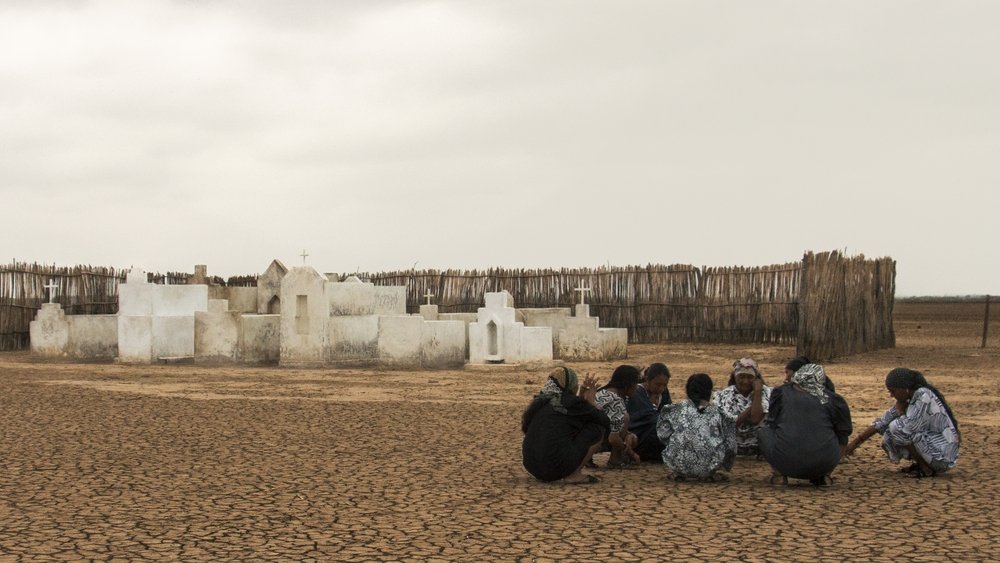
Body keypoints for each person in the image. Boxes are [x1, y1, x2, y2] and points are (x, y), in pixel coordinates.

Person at [843, 368, 960, 478]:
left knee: (896, 428)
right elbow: (882, 421)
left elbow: (909, 428)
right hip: (932, 449)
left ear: (904, 388)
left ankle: (926, 469)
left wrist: (900, 412)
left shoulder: (923, 396)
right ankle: (922, 464)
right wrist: (855, 443)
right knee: (892, 429)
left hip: (942, 456)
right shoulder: (909, 398)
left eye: (893, 391)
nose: (891, 395)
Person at [758, 363, 852, 486]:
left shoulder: (781, 392)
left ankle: (779, 475)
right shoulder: (834, 399)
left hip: (785, 462)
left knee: (763, 431)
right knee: (841, 435)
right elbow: (844, 433)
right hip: (823, 464)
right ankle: (826, 475)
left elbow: (772, 423)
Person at [522, 367, 610, 484]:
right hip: (555, 467)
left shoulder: (542, 401)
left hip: (533, 467)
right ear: (570, 385)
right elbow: (604, 420)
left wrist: (581, 397)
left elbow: (569, 417)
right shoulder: (570, 402)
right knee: (598, 428)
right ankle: (574, 474)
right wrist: (591, 401)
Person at [656, 373, 736, 481]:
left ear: (688, 390)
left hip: (680, 465)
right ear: (709, 391)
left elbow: (662, 435)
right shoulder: (719, 413)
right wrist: (726, 464)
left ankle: (679, 472)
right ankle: (710, 474)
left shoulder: (675, 409)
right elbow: (731, 446)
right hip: (709, 467)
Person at [712, 357, 770, 456]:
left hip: (761, 447)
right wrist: (752, 406)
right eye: (741, 377)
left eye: (750, 377)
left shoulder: (767, 393)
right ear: (735, 377)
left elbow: (756, 419)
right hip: (733, 448)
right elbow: (730, 425)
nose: (746, 381)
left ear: (756, 378)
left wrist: (758, 393)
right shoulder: (725, 396)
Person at [595, 365, 641, 468]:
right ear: (628, 385)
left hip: (588, 435)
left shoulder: (602, 392)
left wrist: (627, 435)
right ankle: (615, 460)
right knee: (625, 419)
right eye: (635, 384)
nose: (637, 387)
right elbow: (613, 438)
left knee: (630, 436)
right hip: (595, 439)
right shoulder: (616, 401)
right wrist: (630, 452)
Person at [626, 363, 672, 463]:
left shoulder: (663, 393)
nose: (661, 388)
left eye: (664, 385)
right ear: (647, 380)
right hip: (640, 435)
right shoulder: (637, 392)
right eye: (658, 384)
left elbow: (669, 412)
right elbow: (650, 418)